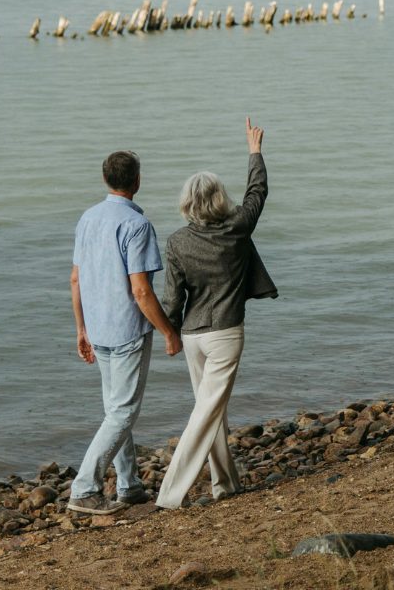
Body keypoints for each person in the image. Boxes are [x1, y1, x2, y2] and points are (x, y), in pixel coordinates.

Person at [155, 117, 277, 510]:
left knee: (213, 411)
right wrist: (254, 151)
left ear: (187, 204)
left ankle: (225, 486)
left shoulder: (176, 242)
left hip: (193, 336)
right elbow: (258, 191)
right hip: (225, 334)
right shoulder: (237, 227)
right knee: (207, 412)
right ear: (220, 198)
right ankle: (170, 495)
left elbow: (172, 299)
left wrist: (169, 334)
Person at [68, 148, 182, 516]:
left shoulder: (87, 218)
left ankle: (129, 486)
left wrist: (81, 329)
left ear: (106, 179)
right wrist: (168, 332)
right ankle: (85, 487)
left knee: (115, 410)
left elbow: (75, 278)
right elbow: (141, 290)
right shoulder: (137, 225)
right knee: (122, 413)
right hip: (127, 331)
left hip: (98, 329)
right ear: (137, 181)